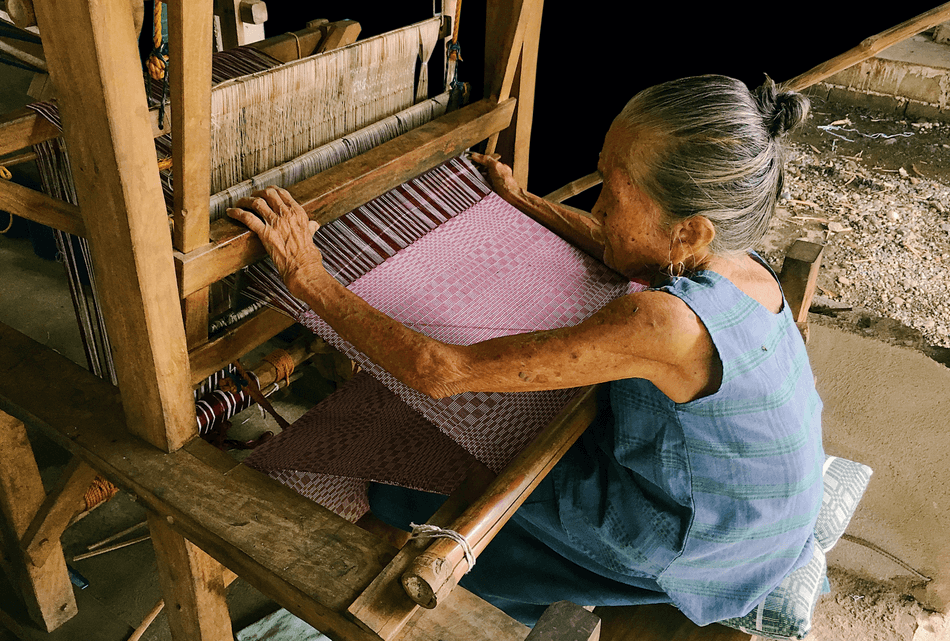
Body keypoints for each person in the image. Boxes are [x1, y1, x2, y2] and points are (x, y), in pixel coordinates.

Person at [227, 74, 825, 627]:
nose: (598, 209)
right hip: (765, 517)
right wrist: (520, 200)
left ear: (689, 231)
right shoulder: (743, 265)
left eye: (614, 195)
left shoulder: (665, 324)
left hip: (704, 547)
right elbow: (620, 247)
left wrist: (307, 275)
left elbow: (440, 371)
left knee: (410, 484)